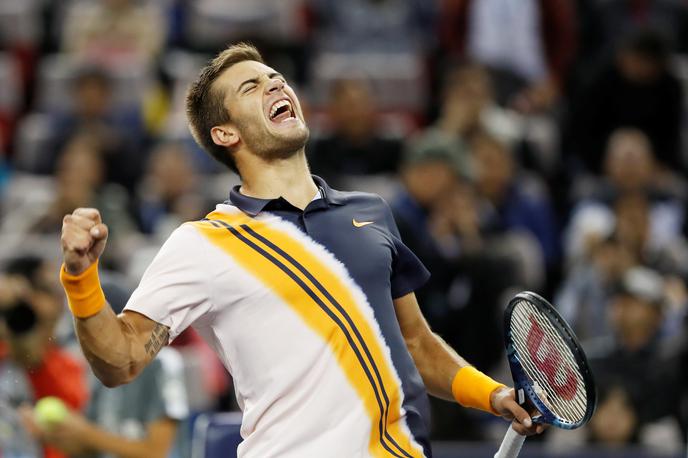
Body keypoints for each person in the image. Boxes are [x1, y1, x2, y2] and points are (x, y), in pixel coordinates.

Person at [58, 43, 542, 457]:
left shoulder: (371, 212)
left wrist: (493, 395)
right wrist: (81, 278)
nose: (275, 86)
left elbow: (415, 342)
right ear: (226, 134)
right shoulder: (203, 243)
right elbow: (120, 360)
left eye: (276, 78)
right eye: (251, 87)